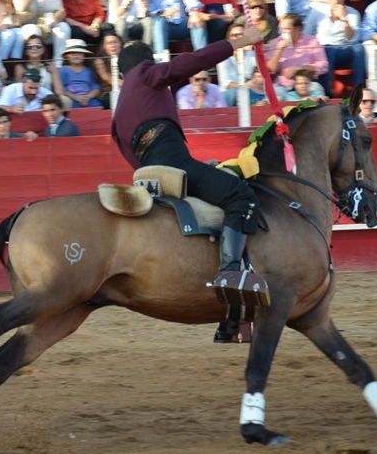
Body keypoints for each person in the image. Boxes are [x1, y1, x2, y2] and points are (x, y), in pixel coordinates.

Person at [111, 27, 269, 335]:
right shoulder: (146, 74)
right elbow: (191, 62)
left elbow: (137, 153)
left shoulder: (119, 111)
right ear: (147, 63)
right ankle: (230, 277)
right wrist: (239, 42)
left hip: (150, 174)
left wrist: (192, 167)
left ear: (120, 74)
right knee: (242, 196)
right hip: (171, 161)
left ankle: (233, 312)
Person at [316, 0, 366, 97]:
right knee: (328, 49)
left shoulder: (353, 13)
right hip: (325, 51)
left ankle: (357, 90)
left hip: (346, 50)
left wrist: (344, 19)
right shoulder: (317, 13)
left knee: (359, 48)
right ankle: (328, 91)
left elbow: (353, 38)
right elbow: (307, 33)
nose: (336, 1)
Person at [266, 12, 329, 93]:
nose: (282, 32)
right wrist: (278, 50)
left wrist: (298, 68)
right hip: (284, 85)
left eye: (286, 29)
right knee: (276, 94)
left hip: (307, 84)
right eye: (281, 29)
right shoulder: (275, 43)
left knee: (317, 89)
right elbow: (270, 70)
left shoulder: (312, 41)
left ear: (298, 28)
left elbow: (323, 66)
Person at [13, 33, 65, 97]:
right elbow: (21, 91)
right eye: (30, 46)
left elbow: (59, 92)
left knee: (64, 99)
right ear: (26, 51)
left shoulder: (50, 65)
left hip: (48, 101)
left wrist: (54, 72)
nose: (34, 48)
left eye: (38, 46)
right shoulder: (20, 67)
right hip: (30, 99)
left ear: (43, 49)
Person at [218, 23, 257, 106]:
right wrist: (243, 86)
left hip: (250, 90)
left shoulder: (253, 55)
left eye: (242, 35)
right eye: (235, 35)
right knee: (233, 92)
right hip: (230, 93)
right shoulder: (222, 57)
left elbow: (259, 75)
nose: (239, 38)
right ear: (229, 39)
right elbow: (225, 83)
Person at [59, 38, 102, 108]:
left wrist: (87, 97)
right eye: (73, 54)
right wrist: (76, 97)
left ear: (84, 55)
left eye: (79, 53)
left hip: (88, 98)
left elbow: (96, 88)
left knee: (98, 107)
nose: (76, 56)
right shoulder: (63, 70)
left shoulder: (89, 70)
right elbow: (62, 89)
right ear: (66, 55)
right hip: (71, 98)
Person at [92, 28, 123, 108]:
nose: (113, 45)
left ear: (120, 44)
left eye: (115, 42)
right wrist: (131, 83)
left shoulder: (127, 59)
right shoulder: (99, 61)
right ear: (104, 46)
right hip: (108, 94)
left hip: (125, 90)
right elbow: (109, 79)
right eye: (109, 43)